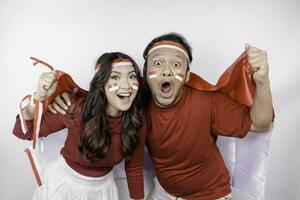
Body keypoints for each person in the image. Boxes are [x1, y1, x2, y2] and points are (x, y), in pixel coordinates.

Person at [50, 33, 273, 200]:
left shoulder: (208, 102)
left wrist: (262, 81)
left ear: (186, 76)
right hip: (164, 192)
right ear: (145, 74)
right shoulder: (138, 101)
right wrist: (63, 98)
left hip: (209, 194)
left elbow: (259, 123)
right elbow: (109, 94)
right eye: (158, 64)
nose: (166, 71)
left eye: (176, 65)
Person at [12, 52, 146, 200]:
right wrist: (37, 99)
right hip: (63, 187)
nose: (126, 85)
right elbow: (23, 132)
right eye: (115, 77)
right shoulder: (75, 107)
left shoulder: (137, 120)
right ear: (100, 83)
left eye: (132, 76)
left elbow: (134, 167)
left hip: (104, 191)